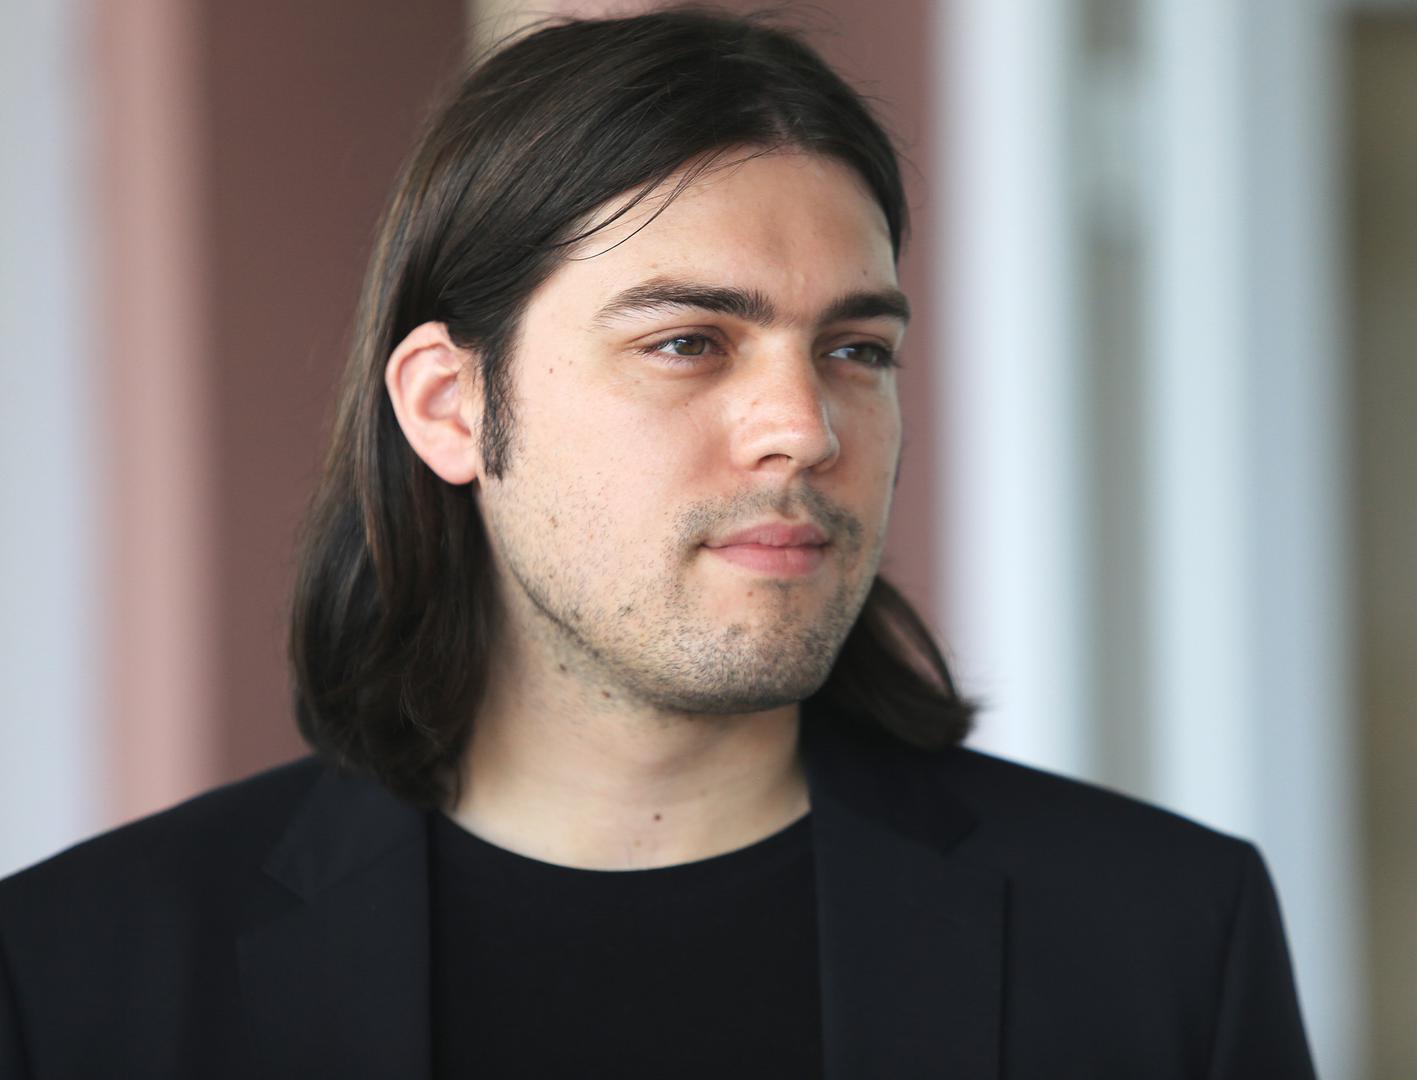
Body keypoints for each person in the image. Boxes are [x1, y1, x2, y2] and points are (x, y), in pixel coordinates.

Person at [0, 9, 1316, 1078]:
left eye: (856, 350)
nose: (802, 429)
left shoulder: (1162, 941)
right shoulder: (81, 976)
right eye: (688, 343)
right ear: (452, 408)